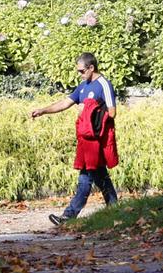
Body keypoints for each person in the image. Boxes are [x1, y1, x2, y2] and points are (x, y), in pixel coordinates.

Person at [28, 51, 118, 226]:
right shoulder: (84, 86)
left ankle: (68, 216)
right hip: (84, 140)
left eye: (82, 71)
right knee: (100, 176)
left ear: (91, 67)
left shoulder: (104, 84)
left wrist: (91, 110)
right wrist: (43, 111)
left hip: (96, 141)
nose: (80, 74)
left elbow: (112, 112)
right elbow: (65, 103)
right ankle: (115, 209)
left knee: (85, 177)